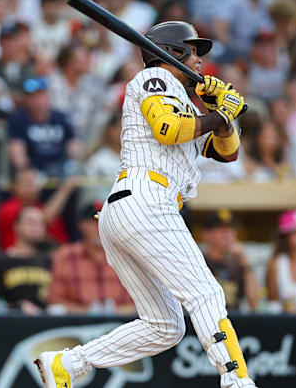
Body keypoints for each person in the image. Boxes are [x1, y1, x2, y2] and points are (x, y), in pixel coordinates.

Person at [35, 21, 258, 388]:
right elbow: (169, 129)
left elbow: (226, 153)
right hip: (147, 200)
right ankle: (236, 381)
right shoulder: (156, 79)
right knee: (205, 293)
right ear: (173, 53)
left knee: (165, 326)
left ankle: (68, 363)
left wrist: (220, 114)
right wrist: (222, 113)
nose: (200, 60)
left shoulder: (181, 99)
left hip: (130, 207)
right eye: (193, 50)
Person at [46, 202, 134, 315]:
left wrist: (116, 312)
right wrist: (89, 312)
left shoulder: (129, 255)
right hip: (77, 326)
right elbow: (54, 301)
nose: (100, 227)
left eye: (105, 222)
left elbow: (147, 302)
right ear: (82, 225)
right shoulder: (65, 256)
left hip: (124, 324)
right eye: (94, 222)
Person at [0, 206, 55, 315]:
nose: (37, 227)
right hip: (10, 324)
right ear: (16, 226)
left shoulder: (50, 261)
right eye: (31, 222)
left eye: (41, 223)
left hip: (46, 325)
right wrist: (16, 307)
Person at [201, 209, 259, 311]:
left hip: (234, 321)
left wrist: (244, 261)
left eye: (231, 230)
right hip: (206, 321)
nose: (228, 235)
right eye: (222, 230)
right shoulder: (199, 262)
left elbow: (254, 303)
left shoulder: (238, 263)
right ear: (207, 234)